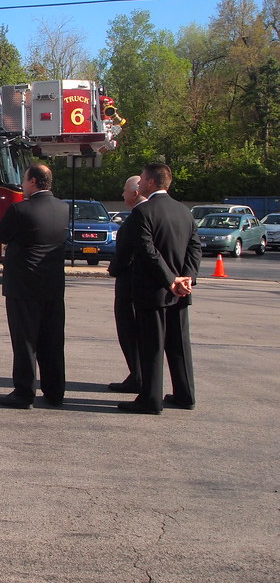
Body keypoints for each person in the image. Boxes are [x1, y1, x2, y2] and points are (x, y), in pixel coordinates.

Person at [118, 163, 201, 415]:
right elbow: (195, 248)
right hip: (180, 292)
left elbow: (148, 251)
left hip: (153, 291)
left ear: (152, 182)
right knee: (179, 345)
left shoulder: (144, 212)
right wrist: (186, 277)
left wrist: (170, 280)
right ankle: (185, 395)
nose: (140, 183)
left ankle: (150, 400)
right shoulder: (184, 212)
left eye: (142, 178)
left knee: (152, 346)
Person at [0, 163, 68, 409]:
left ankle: (24, 392)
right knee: (53, 340)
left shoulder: (21, 209)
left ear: (33, 181)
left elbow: (0, 234)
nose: (22, 185)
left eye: (24, 180)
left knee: (25, 341)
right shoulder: (63, 208)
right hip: (53, 285)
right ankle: (55, 390)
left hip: (24, 285)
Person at [106, 176, 146, 393]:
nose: (122, 194)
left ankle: (137, 376)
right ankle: (138, 375)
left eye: (124, 190)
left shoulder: (138, 218)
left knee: (129, 332)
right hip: (142, 284)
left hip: (130, 285)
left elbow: (127, 253)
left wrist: (113, 269)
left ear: (134, 193)